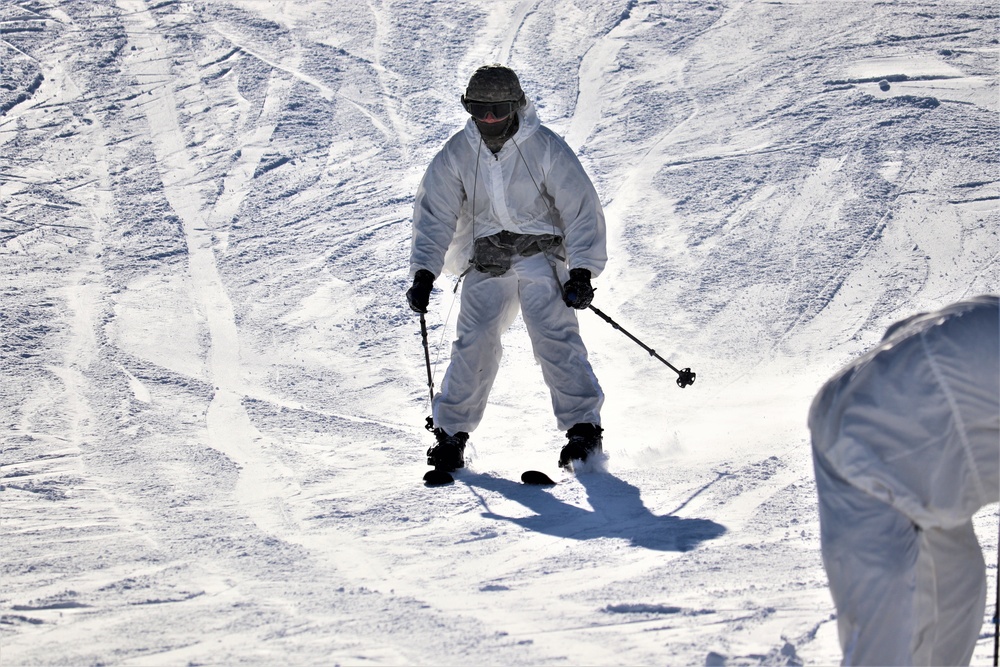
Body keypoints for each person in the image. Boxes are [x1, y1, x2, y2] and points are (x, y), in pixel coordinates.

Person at [405, 64, 607, 473]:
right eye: (479, 110)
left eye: (497, 110)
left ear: (516, 106)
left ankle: (583, 431)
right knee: (474, 341)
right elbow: (435, 214)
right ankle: (450, 436)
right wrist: (424, 271)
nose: (489, 120)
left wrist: (581, 270)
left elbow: (580, 207)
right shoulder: (458, 153)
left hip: (540, 258)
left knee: (554, 335)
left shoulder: (545, 147)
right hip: (488, 262)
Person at [808, 296, 999, 666]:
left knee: (958, 588)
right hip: (857, 444)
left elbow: (909, 330)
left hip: (932, 465)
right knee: (890, 622)